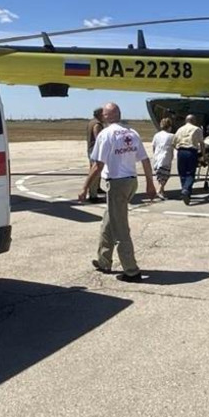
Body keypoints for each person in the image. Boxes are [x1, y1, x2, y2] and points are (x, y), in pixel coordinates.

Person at [79, 102, 156, 282]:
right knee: (108, 221)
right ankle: (104, 260)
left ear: (105, 117)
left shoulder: (106, 134)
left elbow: (98, 165)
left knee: (120, 227)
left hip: (117, 184)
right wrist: (150, 184)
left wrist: (84, 187)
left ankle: (131, 270)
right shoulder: (132, 132)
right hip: (131, 182)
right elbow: (144, 160)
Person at [173, 114, 203, 205]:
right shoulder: (197, 129)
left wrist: (179, 149)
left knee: (182, 173)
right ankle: (186, 190)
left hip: (181, 151)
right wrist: (203, 155)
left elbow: (173, 142)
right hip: (191, 152)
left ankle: (186, 193)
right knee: (190, 173)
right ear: (193, 121)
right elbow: (202, 143)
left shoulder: (180, 129)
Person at [151, 117, 175, 199]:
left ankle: (162, 192)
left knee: (160, 177)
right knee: (165, 176)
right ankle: (159, 190)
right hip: (166, 158)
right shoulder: (171, 136)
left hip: (157, 158)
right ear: (169, 127)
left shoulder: (157, 135)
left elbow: (153, 146)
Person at [85, 107, 105, 202]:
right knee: (95, 171)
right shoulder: (97, 124)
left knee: (96, 170)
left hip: (91, 149)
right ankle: (93, 195)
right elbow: (99, 138)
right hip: (95, 150)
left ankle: (97, 188)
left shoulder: (91, 122)